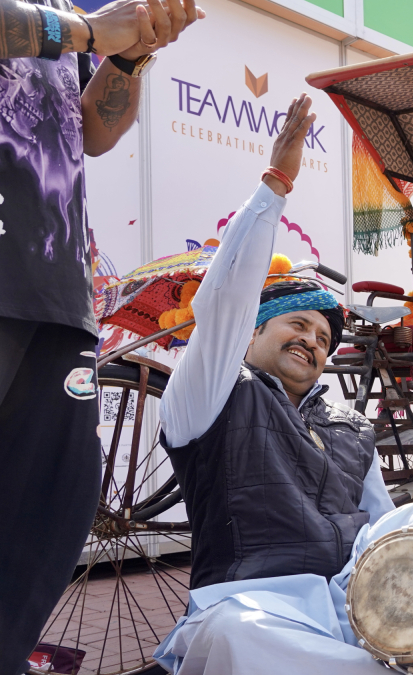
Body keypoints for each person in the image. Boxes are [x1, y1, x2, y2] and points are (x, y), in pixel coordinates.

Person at [150, 96, 413, 674]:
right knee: (236, 636)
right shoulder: (214, 396)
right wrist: (275, 185)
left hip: (351, 610)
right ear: (253, 332)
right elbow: (225, 299)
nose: (312, 340)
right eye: (297, 324)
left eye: (323, 337)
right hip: (255, 608)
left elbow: (380, 528)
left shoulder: (351, 429)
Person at [0, 1, 203, 669]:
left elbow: (92, 131)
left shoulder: (57, 10)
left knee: (50, 513)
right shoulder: (66, 20)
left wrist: (130, 53)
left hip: (55, 290)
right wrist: (91, 31)